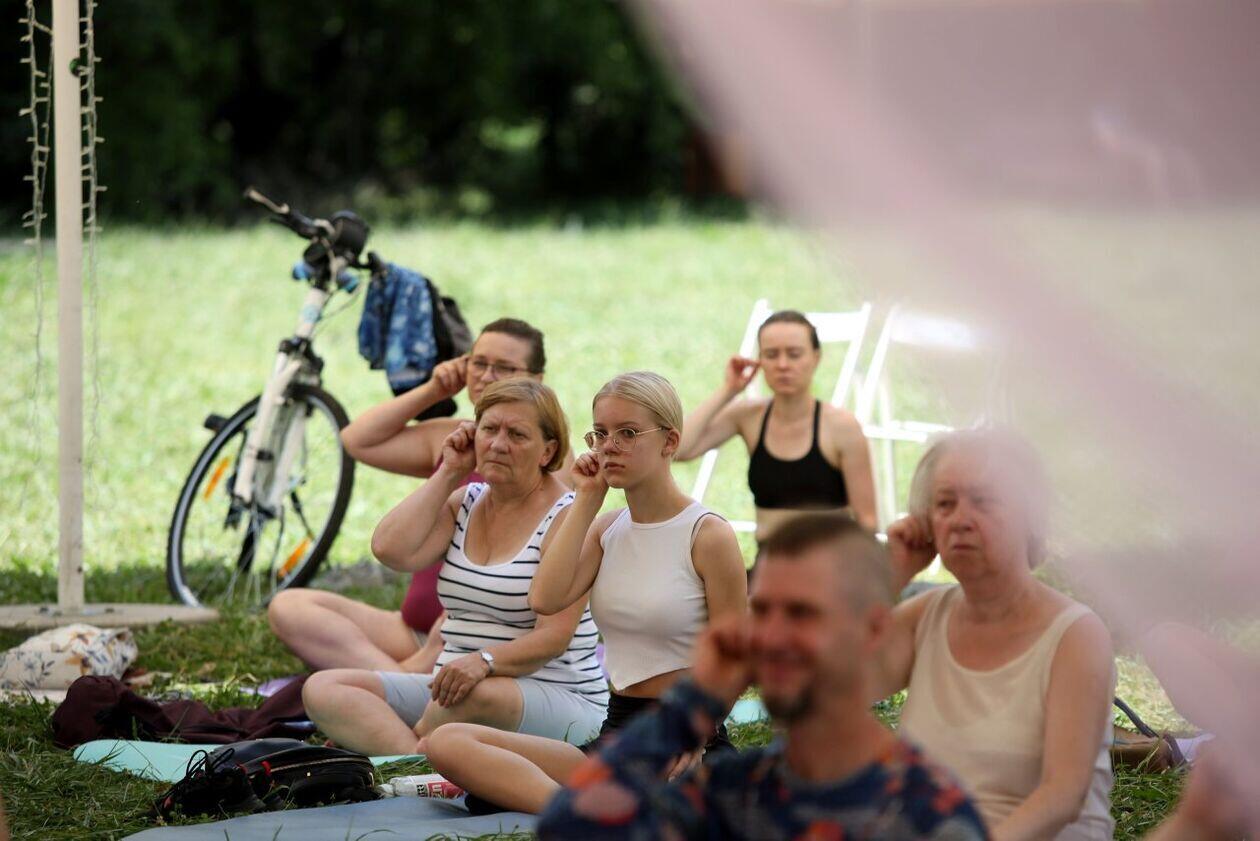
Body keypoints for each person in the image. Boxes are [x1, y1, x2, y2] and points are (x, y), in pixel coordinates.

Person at [537, 513, 989, 840]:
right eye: (763, 611)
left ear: (872, 632)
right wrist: (695, 701)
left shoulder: (928, 812)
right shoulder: (736, 791)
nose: (770, 637)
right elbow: (568, 825)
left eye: (801, 613)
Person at [422, 371, 749, 813]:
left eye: (627, 433)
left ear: (670, 441)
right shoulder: (606, 528)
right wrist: (586, 500)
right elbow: (545, 598)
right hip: (618, 733)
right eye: (600, 433)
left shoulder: (707, 534)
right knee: (447, 741)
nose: (609, 446)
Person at [302, 380, 607, 754]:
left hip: (553, 695)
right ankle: (417, 758)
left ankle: (408, 750)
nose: (498, 444)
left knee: (476, 697)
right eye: (489, 429)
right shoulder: (466, 501)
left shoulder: (568, 517)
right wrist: (449, 470)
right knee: (324, 688)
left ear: (548, 451)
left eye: (517, 435)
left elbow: (553, 638)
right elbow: (390, 549)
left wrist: (484, 662)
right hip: (451, 689)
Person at [268, 317, 571, 671]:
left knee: (339, 684)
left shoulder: (545, 462)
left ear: (537, 379)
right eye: (478, 363)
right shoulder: (453, 437)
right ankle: (398, 679)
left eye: (505, 368)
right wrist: (434, 390)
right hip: (412, 630)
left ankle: (393, 683)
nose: (487, 376)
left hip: (480, 638)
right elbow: (356, 440)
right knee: (289, 607)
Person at [881, 429, 1116, 840]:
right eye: (945, 503)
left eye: (984, 501)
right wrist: (890, 576)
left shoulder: (1076, 635)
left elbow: (1064, 794)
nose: (960, 520)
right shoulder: (925, 617)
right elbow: (827, 689)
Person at [676, 309, 877, 540]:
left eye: (794, 354)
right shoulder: (748, 416)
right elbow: (680, 449)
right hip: (768, 560)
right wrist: (729, 390)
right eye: (771, 355)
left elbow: (867, 521)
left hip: (829, 561)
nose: (782, 364)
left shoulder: (842, 427)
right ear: (759, 360)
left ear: (816, 357)